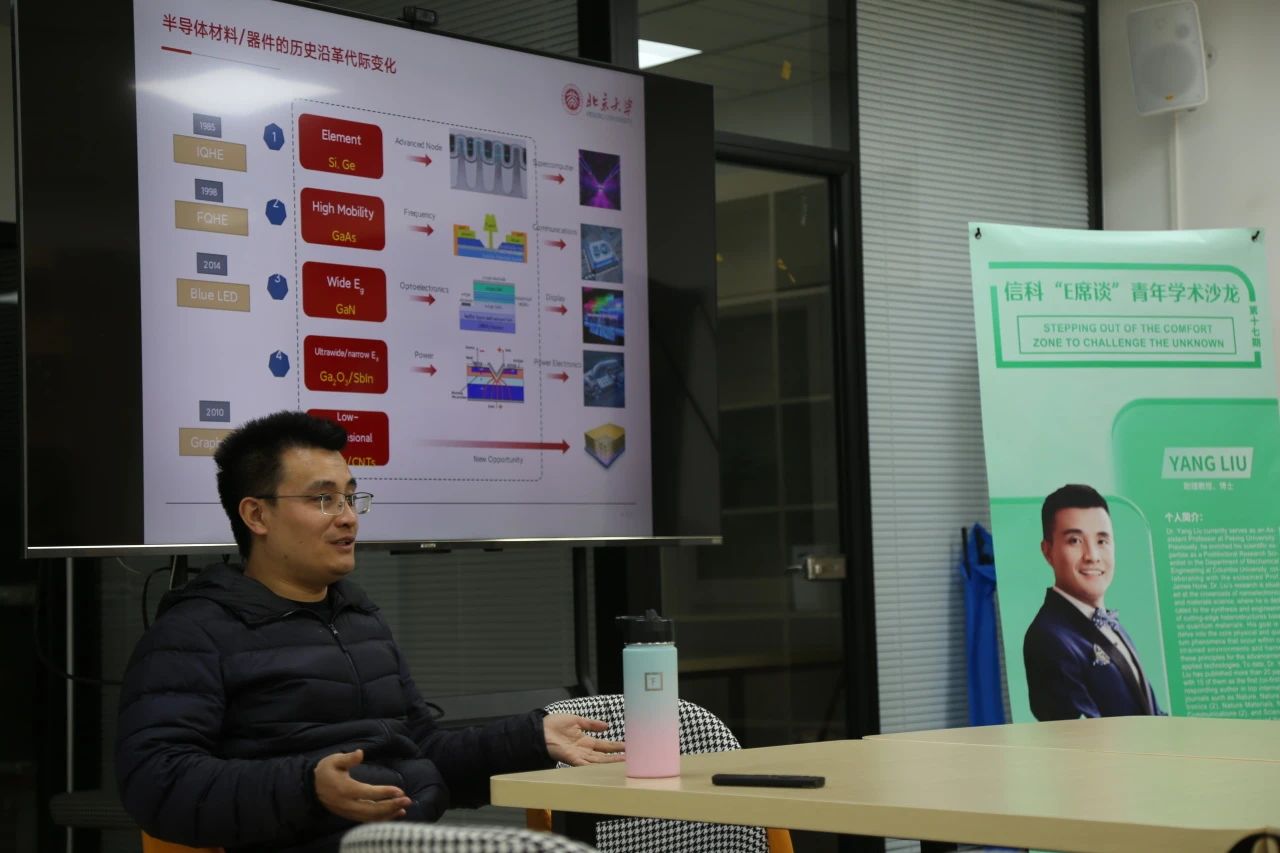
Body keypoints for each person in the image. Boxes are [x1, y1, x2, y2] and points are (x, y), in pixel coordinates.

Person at [116, 411, 623, 852]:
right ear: (256, 514)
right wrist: (306, 788)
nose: (348, 519)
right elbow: (157, 783)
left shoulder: (359, 619)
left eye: (351, 498)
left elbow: (421, 751)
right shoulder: (194, 632)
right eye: (323, 499)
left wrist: (529, 739)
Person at [1023, 484, 1164, 721]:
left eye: (1102, 541)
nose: (1092, 556)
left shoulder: (1109, 624)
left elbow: (1150, 712)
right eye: (1075, 540)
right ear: (1048, 551)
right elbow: (1082, 736)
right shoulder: (1049, 639)